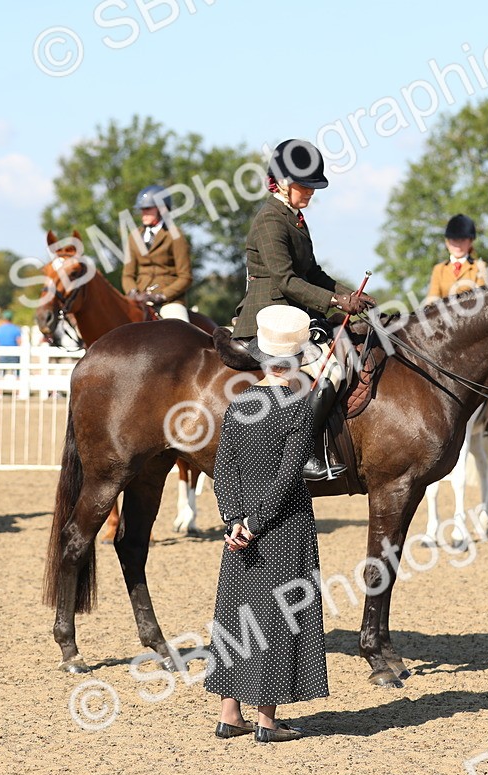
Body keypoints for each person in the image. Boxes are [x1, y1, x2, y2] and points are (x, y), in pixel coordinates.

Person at [205, 305, 329, 743]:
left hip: (239, 530)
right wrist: (256, 523)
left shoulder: (239, 404)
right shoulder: (297, 409)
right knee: (277, 615)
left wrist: (234, 520)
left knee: (235, 614)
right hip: (282, 526)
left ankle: (229, 715)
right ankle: (266, 721)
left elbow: (223, 470)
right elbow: (288, 476)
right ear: (295, 360)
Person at [230, 138, 377, 480]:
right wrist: (336, 302)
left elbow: (313, 273)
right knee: (332, 371)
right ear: (282, 182)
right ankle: (302, 453)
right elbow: (285, 281)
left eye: (313, 186)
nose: (310, 192)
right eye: (304, 185)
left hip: (293, 313)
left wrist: (352, 295)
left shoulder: (294, 218)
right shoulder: (270, 220)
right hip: (269, 314)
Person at [424, 213, 488, 436]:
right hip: (444, 329)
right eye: (453, 240)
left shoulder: (479, 267)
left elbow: (485, 300)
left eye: (462, 240)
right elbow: (432, 297)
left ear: (470, 242)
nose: (457, 244)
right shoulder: (439, 269)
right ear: (447, 242)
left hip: (471, 330)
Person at [121, 184, 192, 321]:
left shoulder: (175, 235)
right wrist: (133, 292)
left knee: (178, 327)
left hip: (169, 301)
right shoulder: (134, 236)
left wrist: (162, 295)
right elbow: (127, 275)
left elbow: (185, 277)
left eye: (148, 209)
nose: (143, 213)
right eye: (142, 209)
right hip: (140, 298)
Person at [0, 310, 21, 377]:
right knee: (16, 375)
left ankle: (0, 383)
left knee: (1, 375)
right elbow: (19, 342)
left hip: (2, 354)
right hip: (14, 354)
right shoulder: (16, 329)